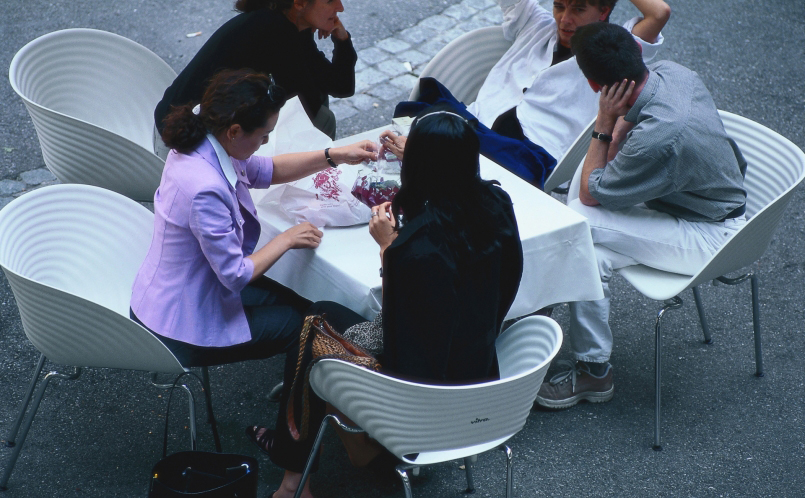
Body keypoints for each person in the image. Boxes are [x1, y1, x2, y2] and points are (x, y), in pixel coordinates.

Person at [249, 107, 524, 498]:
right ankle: (331, 450)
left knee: (312, 324)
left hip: (419, 393)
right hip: (479, 371)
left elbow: (401, 332)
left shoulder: (415, 247)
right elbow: (502, 281)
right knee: (321, 318)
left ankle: (295, 481)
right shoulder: (497, 204)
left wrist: (387, 250)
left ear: (418, 167)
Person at [534, 22, 747, 409]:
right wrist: (618, 135)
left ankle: (536, 307)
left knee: (578, 221)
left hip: (712, 235)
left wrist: (605, 124)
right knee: (589, 252)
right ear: (635, 52)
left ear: (595, 86)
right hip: (687, 204)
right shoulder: (672, 72)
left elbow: (590, 195)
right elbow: (612, 161)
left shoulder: (659, 138)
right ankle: (594, 370)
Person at [130, 68, 376, 373]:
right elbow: (234, 275)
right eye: (263, 135)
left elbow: (267, 170)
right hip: (180, 321)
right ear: (234, 131)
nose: (266, 141)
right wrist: (286, 239)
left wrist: (335, 155)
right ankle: (293, 404)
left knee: (304, 302)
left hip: (178, 291)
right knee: (307, 327)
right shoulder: (205, 189)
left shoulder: (206, 139)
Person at [382, 0, 670, 185]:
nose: (564, 19)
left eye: (578, 10)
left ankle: (435, 155)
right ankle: (439, 155)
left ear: (603, 11)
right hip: (473, 123)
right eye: (559, 6)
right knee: (420, 103)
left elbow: (659, 12)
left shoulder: (614, 50)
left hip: (529, 152)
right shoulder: (534, 22)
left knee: (434, 143)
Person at [154, 0, 356, 154]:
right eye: (330, 1)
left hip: (187, 125)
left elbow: (341, 87)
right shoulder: (274, 29)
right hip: (182, 140)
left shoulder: (288, 23)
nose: (340, 8)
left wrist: (342, 39)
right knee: (322, 120)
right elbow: (307, 106)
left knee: (317, 115)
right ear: (300, 3)